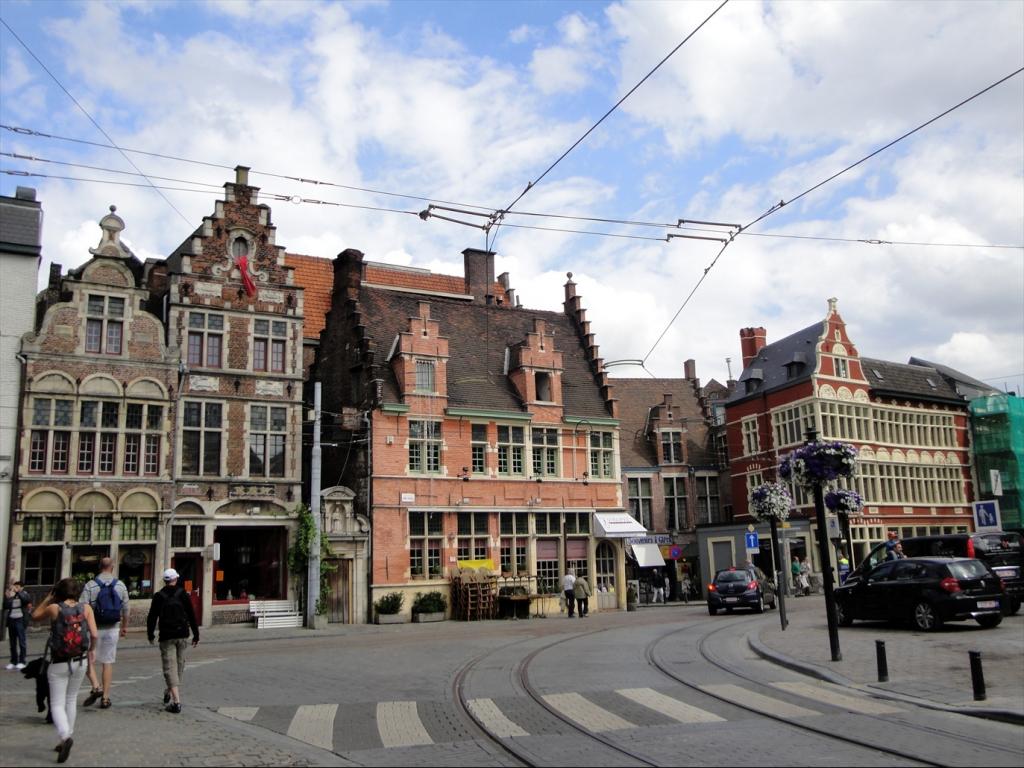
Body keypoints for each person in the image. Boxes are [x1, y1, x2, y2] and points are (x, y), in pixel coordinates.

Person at [31, 577, 99, 764]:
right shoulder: (86, 608)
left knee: (57, 704)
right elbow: (94, 634)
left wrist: (47, 599)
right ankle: (65, 737)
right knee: (71, 699)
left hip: (59, 661)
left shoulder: (55, 608)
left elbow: (34, 616)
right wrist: (92, 650)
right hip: (80, 660)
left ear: (58, 592)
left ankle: (66, 737)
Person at [80, 557, 130, 710]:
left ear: (99, 567)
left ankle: (96, 685)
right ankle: (106, 698)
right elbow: (126, 609)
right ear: (112, 568)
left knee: (88, 658)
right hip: (112, 628)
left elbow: (82, 608)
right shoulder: (120, 585)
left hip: (93, 628)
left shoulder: (90, 585)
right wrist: (124, 627)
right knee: (107, 662)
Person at [147, 569, 199, 714]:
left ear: (164, 580)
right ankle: (173, 695)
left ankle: (176, 701)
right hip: (182, 634)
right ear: (176, 578)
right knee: (180, 665)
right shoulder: (183, 594)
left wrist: (150, 634)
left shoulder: (158, 596)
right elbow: (191, 614)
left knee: (170, 667)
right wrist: (196, 635)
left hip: (166, 636)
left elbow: (152, 617)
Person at [4, 580, 33, 670]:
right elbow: (6, 606)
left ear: (22, 587)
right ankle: (13, 661)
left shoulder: (25, 594)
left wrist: (18, 592)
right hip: (12, 619)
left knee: (21, 642)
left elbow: (26, 600)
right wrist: (8, 597)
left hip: (20, 620)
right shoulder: (13, 596)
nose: (15, 588)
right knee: (12, 643)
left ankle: (22, 661)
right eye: (14, 586)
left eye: (17, 587)